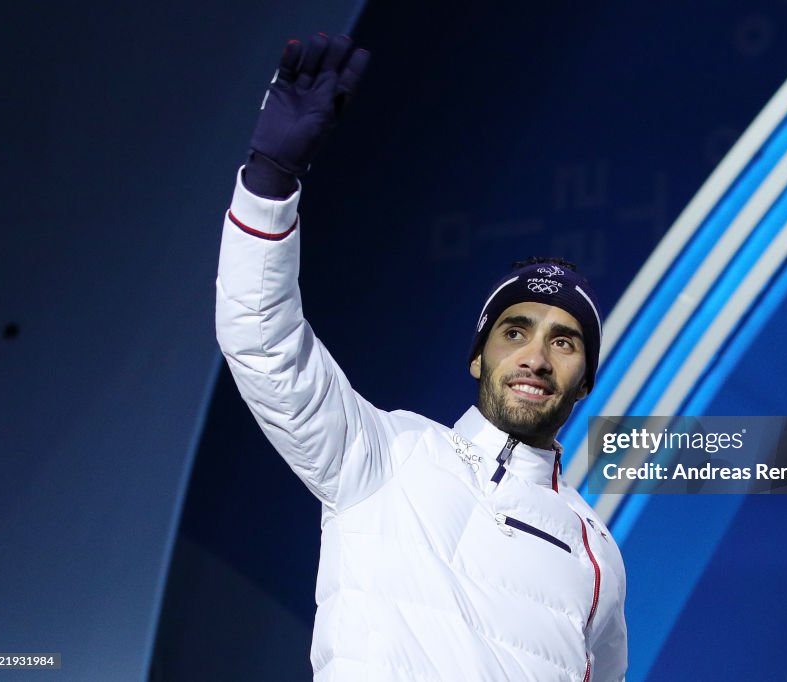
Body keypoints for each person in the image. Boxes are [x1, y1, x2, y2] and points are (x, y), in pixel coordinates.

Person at [215, 32, 628, 682]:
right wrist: (270, 180)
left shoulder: (596, 550)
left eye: (565, 341)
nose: (537, 358)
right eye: (514, 331)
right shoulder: (386, 452)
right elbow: (263, 343)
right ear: (476, 358)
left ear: (584, 384)